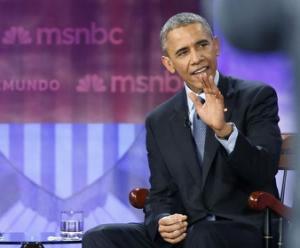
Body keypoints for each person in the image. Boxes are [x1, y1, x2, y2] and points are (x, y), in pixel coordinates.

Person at [82, 12, 282, 248]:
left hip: (243, 229)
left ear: (216, 46)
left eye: (202, 45)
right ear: (169, 64)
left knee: (203, 234)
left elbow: (263, 170)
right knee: (99, 237)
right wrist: (162, 220)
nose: (196, 58)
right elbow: (161, 194)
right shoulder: (159, 120)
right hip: (188, 232)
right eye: (183, 52)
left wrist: (224, 130)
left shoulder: (256, 97)